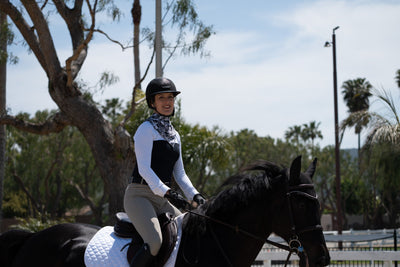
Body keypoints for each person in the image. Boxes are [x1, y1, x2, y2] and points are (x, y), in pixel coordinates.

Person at [124, 77, 206, 267]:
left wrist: (195, 195)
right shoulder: (146, 129)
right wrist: (168, 192)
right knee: (154, 243)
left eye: (170, 97)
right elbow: (144, 169)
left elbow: (180, 174)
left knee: (188, 235)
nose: (167, 102)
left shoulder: (174, 135)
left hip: (162, 199)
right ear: (153, 103)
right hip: (139, 196)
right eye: (161, 98)